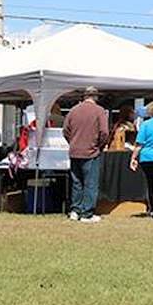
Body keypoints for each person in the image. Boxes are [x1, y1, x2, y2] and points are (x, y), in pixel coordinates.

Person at [63, 87, 110, 223]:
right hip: (91, 152)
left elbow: (65, 130)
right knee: (91, 184)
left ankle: (75, 211)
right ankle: (87, 213)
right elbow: (104, 132)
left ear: (84, 97)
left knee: (76, 183)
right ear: (96, 97)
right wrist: (99, 146)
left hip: (75, 151)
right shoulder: (99, 111)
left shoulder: (73, 110)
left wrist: (72, 142)